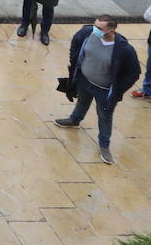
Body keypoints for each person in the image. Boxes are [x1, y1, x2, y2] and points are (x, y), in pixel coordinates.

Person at [55, 15, 141, 165]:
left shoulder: (124, 50)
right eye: (95, 25)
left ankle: (104, 145)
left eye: (100, 28)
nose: (95, 29)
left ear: (111, 29)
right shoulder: (87, 33)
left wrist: (118, 89)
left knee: (104, 116)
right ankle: (75, 119)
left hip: (104, 90)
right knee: (82, 101)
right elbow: (76, 44)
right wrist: (74, 62)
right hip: (84, 80)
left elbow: (134, 73)